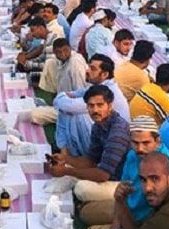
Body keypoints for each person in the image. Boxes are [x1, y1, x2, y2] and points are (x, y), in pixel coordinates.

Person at [81, 116, 169, 229]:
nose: (140, 149)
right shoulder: (132, 155)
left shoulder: (168, 168)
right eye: (135, 143)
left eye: (146, 143)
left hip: (144, 222)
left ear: (157, 141)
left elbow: (160, 219)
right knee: (85, 213)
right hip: (129, 208)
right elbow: (122, 193)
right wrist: (116, 224)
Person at [49, 85, 131, 215]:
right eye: (91, 106)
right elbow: (90, 161)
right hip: (106, 173)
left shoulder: (117, 132)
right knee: (70, 170)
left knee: (82, 189)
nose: (95, 110)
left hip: (122, 182)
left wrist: (66, 170)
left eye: (100, 105)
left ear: (110, 106)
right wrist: (65, 158)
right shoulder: (98, 126)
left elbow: (103, 175)